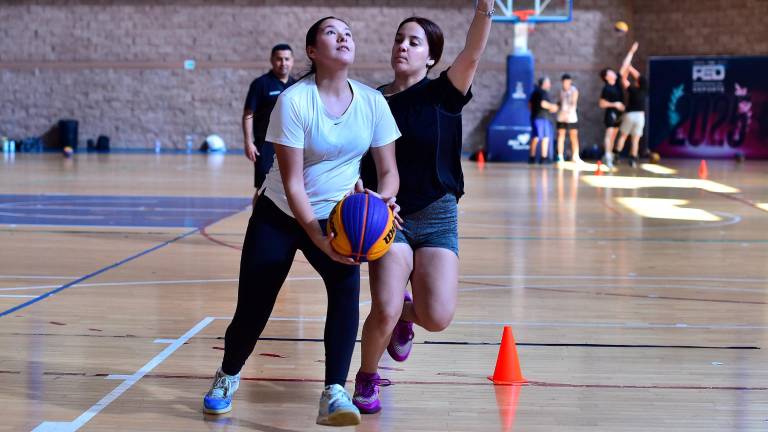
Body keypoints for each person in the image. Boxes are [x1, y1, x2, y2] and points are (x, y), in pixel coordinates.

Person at [203, 17, 401, 427]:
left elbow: (389, 171)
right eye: (332, 32)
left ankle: (334, 391)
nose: (343, 37)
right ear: (312, 51)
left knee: (345, 293)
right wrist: (314, 233)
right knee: (254, 308)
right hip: (279, 213)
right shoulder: (293, 100)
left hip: (338, 216)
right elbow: (292, 181)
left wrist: (383, 204)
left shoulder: (372, 102)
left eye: (348, 32)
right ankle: (228, 374)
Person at [355, 0, 495, 414]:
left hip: (436, 213)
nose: (403, 46)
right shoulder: (372, 101)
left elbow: (472, 52)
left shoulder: (444, 93)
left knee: (436, 316)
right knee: (385, 304)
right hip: (388, 216)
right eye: (399, 39)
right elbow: (358, 158)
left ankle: (406, 320)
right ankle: (366, 376)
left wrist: (484, 11)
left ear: (431, 57)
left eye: (414, 42)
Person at [242, 44, 296, 205]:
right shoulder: (260, 84)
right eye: (279, 59)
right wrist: (248, 142)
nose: (283, 63)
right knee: (263, 188)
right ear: (272, 60)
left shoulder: (297, 85)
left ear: (292, 61)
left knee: (290, 186)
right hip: (265, 145)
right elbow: (248, 114)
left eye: (287, 59)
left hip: (290, 144)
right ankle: (256, 224)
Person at [615, 42, 646, 167]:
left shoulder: (632, 89)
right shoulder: (645, 88)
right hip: (640, 116)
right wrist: (631, 68)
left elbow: (623, 79)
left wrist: (628, 66)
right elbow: (638, 76)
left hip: (630, 115)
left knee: (623, 136)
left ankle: (616, 156)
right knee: (636, 139)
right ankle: (633, 159)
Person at [528, 76, 559, 164]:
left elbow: (529, 104)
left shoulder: (535, 92)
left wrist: (535, 111)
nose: (550, 85)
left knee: (535, 137)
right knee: (544, 138)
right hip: (542, 118)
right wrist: (553, 106)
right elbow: (543, 103)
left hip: (536, 117)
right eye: (548, 83)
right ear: (544, 84)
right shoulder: (542, 92)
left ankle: (532, 157)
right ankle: (544, 158)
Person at [598, 66, 625, 168]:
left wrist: (631, 51)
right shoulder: (606, 88)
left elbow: (624, 66)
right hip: (610, 114)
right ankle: (608, 155)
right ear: (606, 77)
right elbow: (601, 103)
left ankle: (609, 156)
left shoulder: (617, 84)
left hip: (619, 114)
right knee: (609, 135)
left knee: (614, 136)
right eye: (610, 73)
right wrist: (615, 104)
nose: (613, 73)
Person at [555, 73, 582, 163]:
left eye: (567, 81)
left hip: (571, 116)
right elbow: (559, 102)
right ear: (562, 82)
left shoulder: (574, 90)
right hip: (561, 116)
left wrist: (568, 114)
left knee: (573, 136)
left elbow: (573, 103)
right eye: (564, 82)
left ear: (570, 81)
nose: (566, 83)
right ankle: (560, 156)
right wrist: (555, 107)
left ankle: (575, 156)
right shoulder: (560, 90)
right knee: (561, 136)